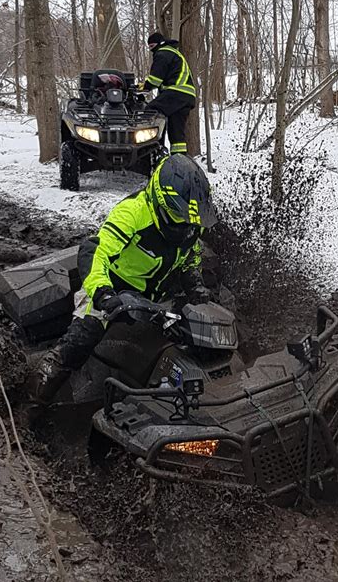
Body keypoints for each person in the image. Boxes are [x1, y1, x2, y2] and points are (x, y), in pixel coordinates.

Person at [33, 153, 217, 403]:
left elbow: (190, 258)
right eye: (179, 217)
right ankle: (35, 400)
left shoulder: (191, 226)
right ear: (161, 201)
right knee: (82, 337)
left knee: (197, 332)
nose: (186, 225)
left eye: (190, 220)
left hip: (153, 299)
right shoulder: (131, 213)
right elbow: (95, 251)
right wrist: (102, 293)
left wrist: (196, 287)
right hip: (111, 288)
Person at [141, 32, 196, 155]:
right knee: (176, 131)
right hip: (187, 96)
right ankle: (179, 158)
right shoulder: (173, 53)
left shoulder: (163, 54)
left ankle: (153, 149)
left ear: (159, 44)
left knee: (151, 110)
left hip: (176, 92)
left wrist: (144, 87)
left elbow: (155, 79)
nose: (151, 50)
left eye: (152, 46)